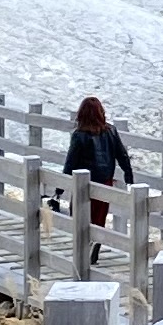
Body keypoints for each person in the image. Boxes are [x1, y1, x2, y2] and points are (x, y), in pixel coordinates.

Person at [63, 96, 134, 269]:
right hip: (104, 181)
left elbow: (71, 162)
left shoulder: (79, 135)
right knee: (99, 219)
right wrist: (128, 174)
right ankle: (93, 254)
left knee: (79, 218)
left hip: (83, 185)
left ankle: (81, 254)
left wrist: (60, 186)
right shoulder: (110, 131)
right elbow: (121, 154)